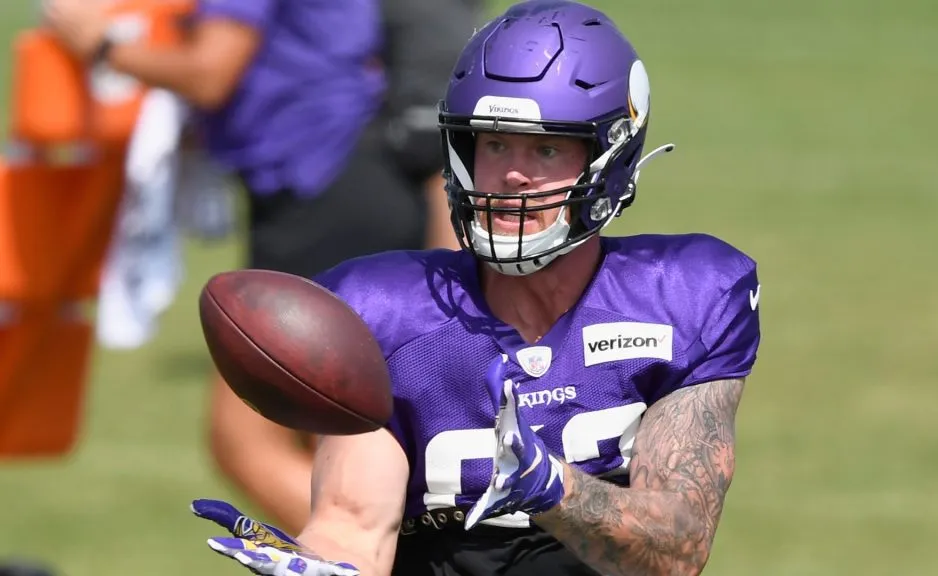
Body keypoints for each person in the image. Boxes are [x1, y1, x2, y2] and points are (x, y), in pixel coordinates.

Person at [190, 1, 762, 574]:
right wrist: (327, 567)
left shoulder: (686, 296)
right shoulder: (386, 311)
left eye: (545, 148)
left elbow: (677, 549)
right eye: (492, 144)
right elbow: (353, 528)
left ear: (610, 157)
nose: (512, 174)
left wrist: (554, 489)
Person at [44, 0, 476, 533]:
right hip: (339, 183)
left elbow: (210, 74)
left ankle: (380, 557)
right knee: (332, 442)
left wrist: (103, 46)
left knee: (245, 439)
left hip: (320, 193)